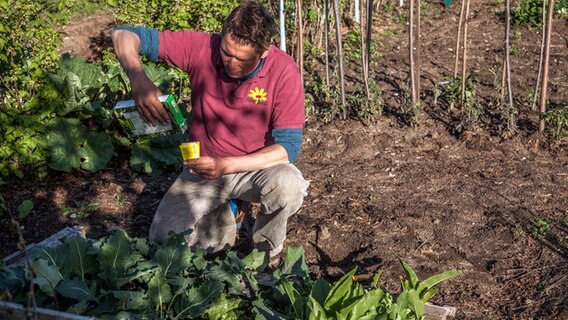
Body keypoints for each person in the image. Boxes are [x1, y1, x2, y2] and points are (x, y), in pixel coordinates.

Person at [111, 0, 309, 260]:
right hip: (204, 167)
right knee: (165, 242)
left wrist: (226, 165)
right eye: (227, 53)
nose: (231, 63)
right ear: (223, 35)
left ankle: (265, 252)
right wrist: (139, 79)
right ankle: (228, 211)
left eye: (242, 59)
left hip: (256, 169)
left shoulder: (283, 71)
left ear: (264, 52)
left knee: (289, 185)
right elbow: (122, 34)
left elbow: (288, 148)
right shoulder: (203, 47)